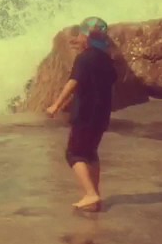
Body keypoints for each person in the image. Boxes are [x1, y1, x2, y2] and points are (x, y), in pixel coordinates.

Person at [46, 17, 118, 212]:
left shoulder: (84, 58)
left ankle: (90, 194)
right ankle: (94, 196)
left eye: (80, 35)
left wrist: (56, 105)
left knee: (74, 154)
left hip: (85, 114)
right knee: (90, 153)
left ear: (87, 36)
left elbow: (74, 82)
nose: (77, 39)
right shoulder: (107, 60)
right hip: (102, 115)